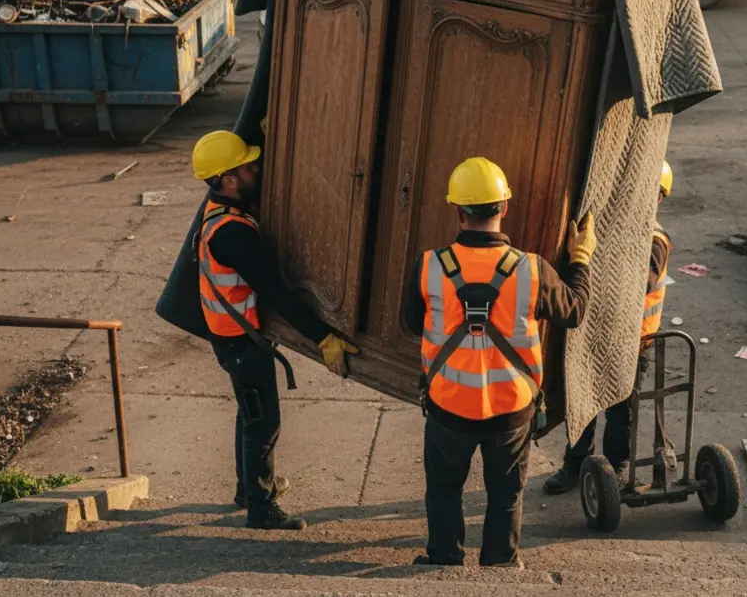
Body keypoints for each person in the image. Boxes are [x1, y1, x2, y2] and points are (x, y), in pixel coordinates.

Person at [402, 157, 595, 568]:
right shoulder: (532, 270)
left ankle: (443, 559)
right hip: (511, 409)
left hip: (448, 406)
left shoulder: (429, 266)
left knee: (443, 490)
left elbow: (408, 324)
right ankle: (500, 566)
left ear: (457, 211)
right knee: (506, 494)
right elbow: (574, 311)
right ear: (504, 208)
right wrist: (580, 259)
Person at [191, 130, 361, 531]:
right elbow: (277, 294)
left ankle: (247, 488)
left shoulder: (220, 210)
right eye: (249, 166)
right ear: (228, 178)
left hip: (231, 337)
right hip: (241, 342)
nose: (257, 169)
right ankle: (261, 508)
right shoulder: (233, 234)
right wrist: (323, 336)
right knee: (263, 422)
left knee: (250, 414)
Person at [542, 160, 673, 495]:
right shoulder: (612, 228)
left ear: (658, 197)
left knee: (619, 412)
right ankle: (575, 465)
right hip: (594, 333)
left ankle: (616, 468)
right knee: (582, 404)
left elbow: (642, 283)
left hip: (633, 342)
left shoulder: (655, 239)